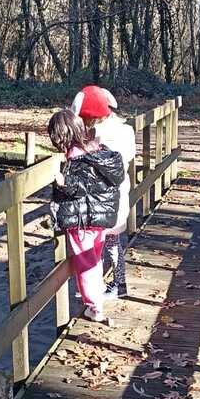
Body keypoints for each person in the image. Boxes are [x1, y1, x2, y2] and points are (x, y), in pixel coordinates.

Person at [47, 108, 124, 322]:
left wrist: (63, 182)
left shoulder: (77, 157)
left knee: (84, 263)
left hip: (84, 219)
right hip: (101, 217)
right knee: (94, 258)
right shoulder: (97, 150)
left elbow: (81, 187)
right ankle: (96, 298)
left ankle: (94, 307)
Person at [71, 85, 136, 298]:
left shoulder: (98, 138)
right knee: (111, 241)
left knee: (100, 244)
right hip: (117, 195)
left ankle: (105, 285)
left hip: (102, 199)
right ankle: (115, 284)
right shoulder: (125, 130)